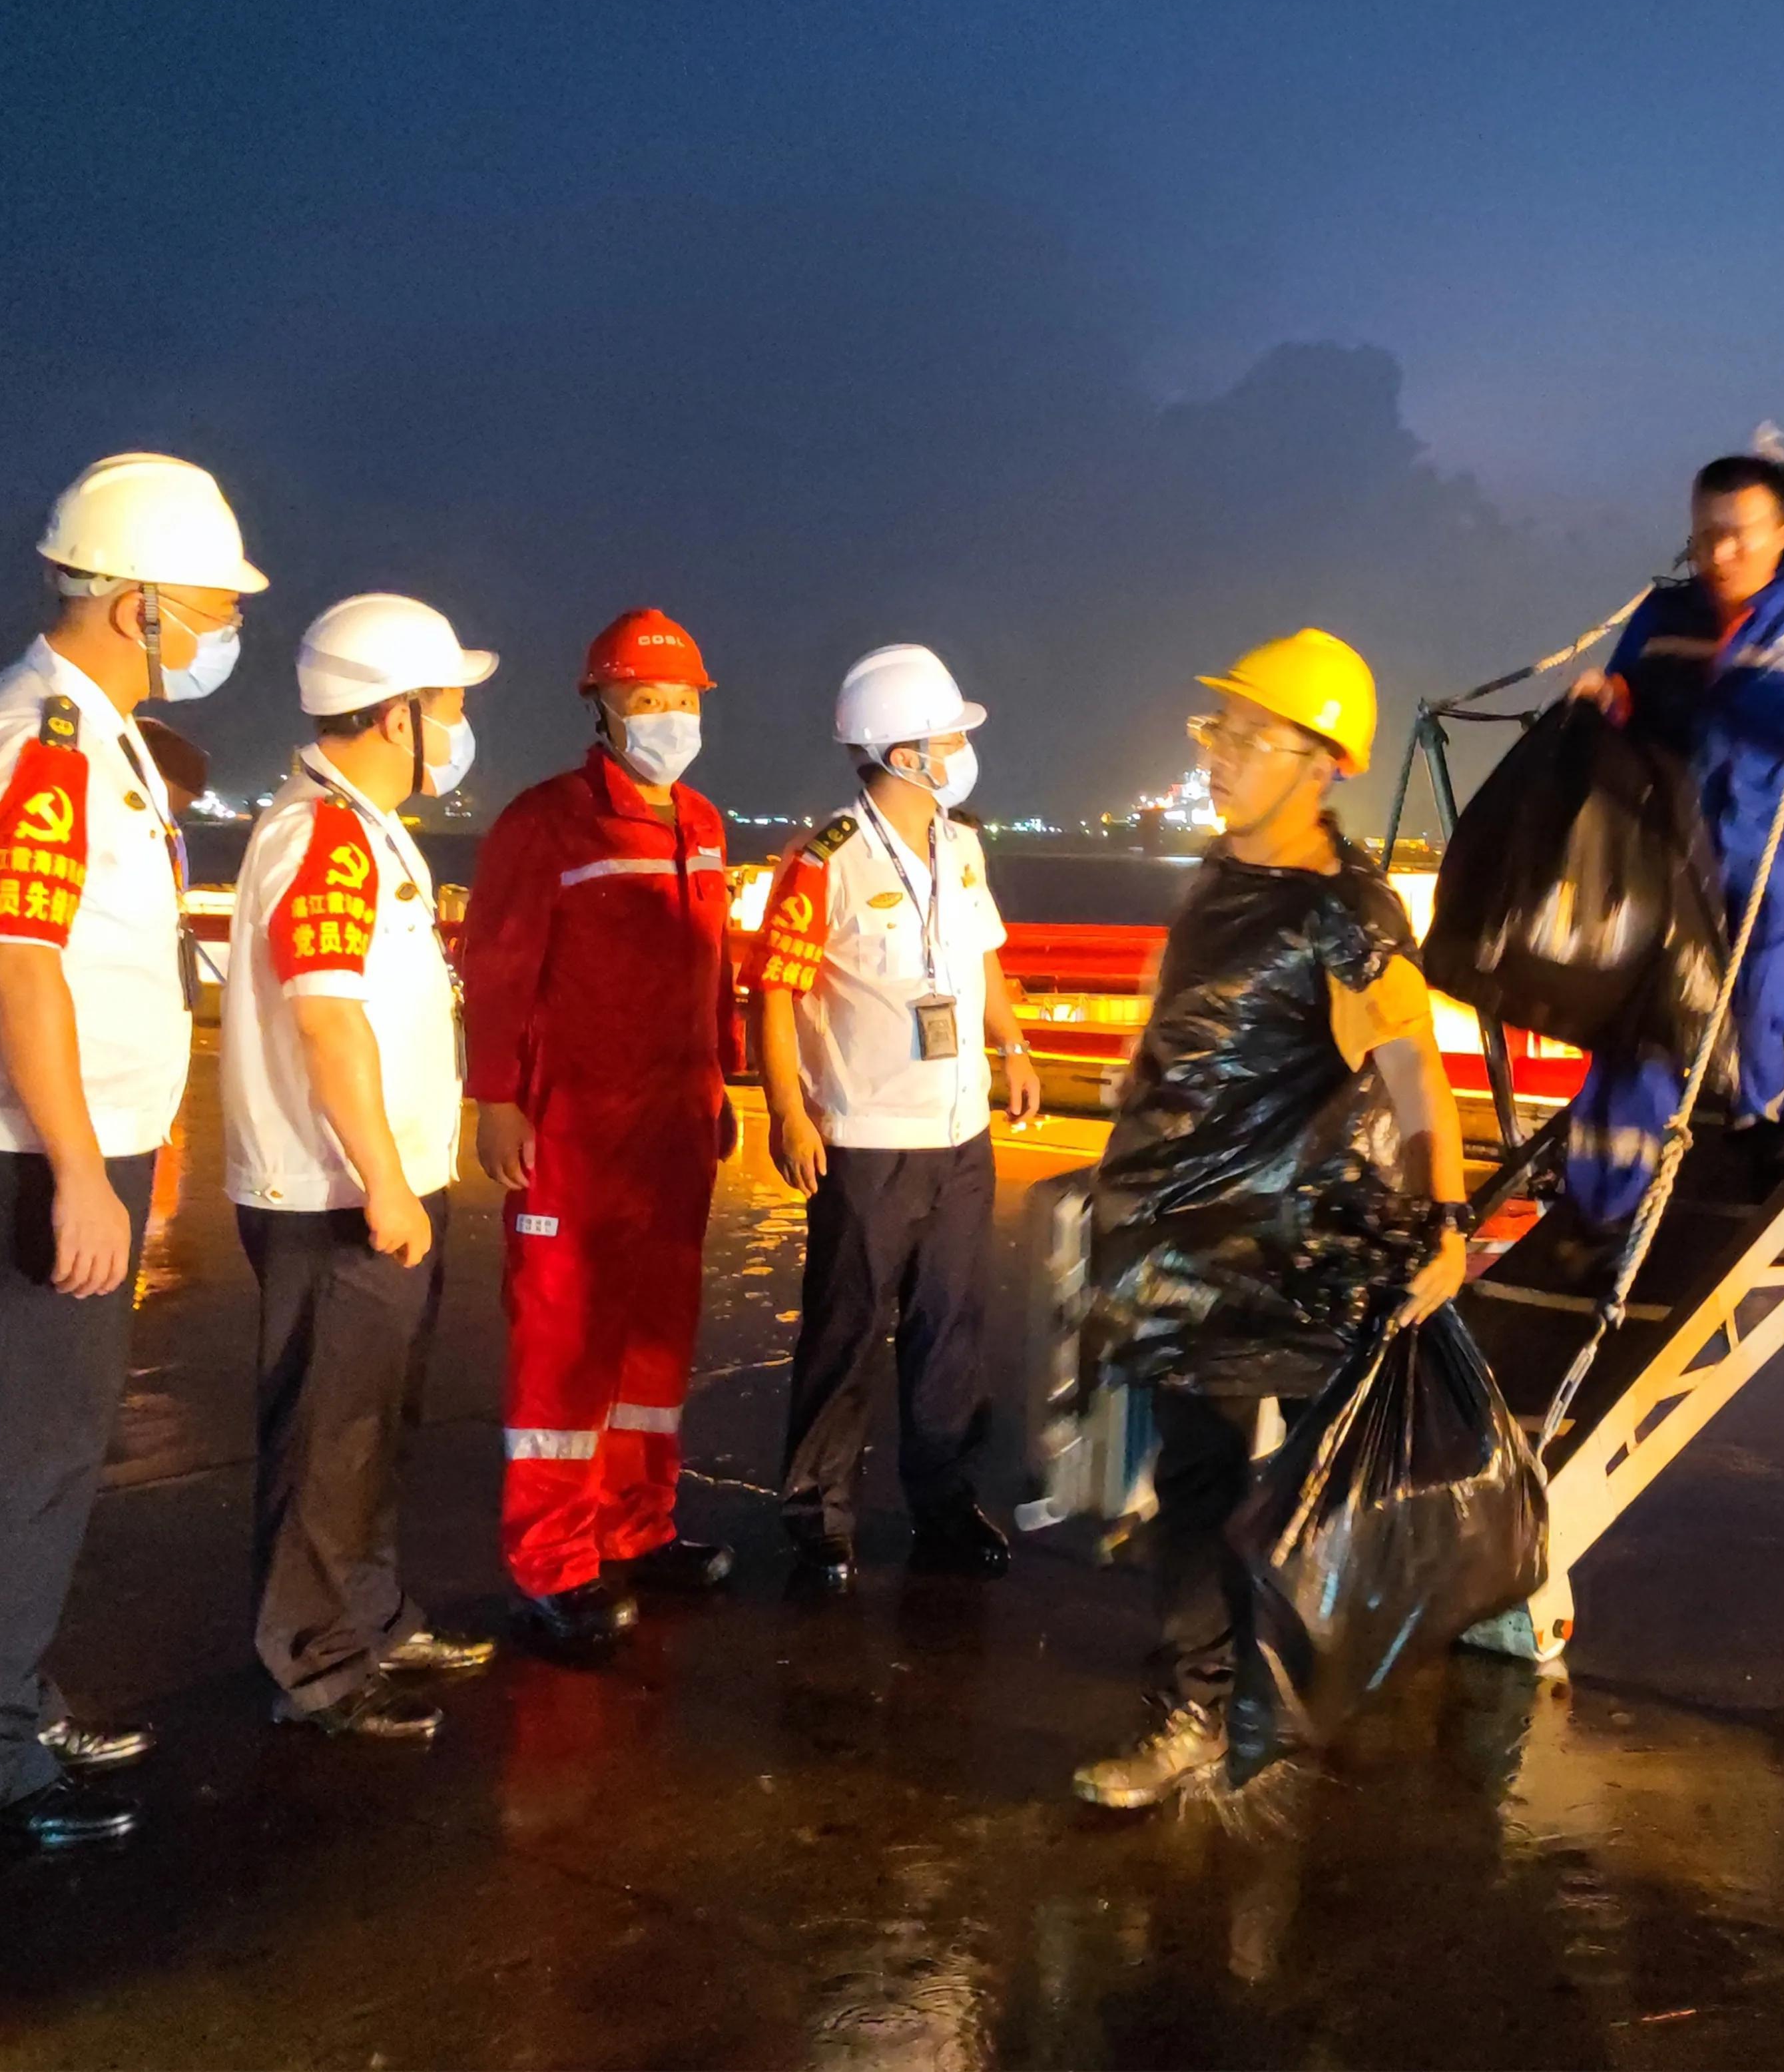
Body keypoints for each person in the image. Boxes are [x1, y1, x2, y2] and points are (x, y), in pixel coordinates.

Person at [0, 453, 266, 1849]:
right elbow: (20, 961)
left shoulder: (98, 734)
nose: (221, 624)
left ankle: (8, 1698)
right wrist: (69, 1165)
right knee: (15, 1456)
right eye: (205, 598)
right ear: (133, 601)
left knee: (49, 1454)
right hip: (21, 1153)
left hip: (74, 1144)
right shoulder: (41, 738)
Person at [1071, 629, 1470, 1808]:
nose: (1219, 754)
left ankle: (1314, 1697)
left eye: (1248, 735)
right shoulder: (1216, 880)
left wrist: (1447, 1221)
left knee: (1315, 1493)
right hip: (1185, 1250)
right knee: (1195, 1491)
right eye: (1218, 730)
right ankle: (1196, 1709)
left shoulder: (1346, 914)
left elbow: (1415, 1077)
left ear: (1321, 762)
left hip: (1293, 1251)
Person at [222, 593, 503, 1741]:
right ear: (398, 716)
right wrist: (386, 1180)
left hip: (381, 1183)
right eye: (449, 705)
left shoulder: (365, 827)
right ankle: (317, 1664)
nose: (459, 725)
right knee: (326, 1439)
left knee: (377, 1426)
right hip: (337, 1195)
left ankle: (376, 1616)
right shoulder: (322, 835)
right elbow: (330, 1021)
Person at [461, 607, 744, 1662]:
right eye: (647, 698)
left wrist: (722, 1079)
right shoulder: (547, 823)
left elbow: (710, 968)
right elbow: (496, 964)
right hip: (575, 1130)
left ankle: (638, 1526)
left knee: (654, 1339)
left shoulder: (704, 823)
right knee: (565, 1345)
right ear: (602, 705)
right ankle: (552, 1563)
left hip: (675, 1125)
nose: (668, 716)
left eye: (683, 700)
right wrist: (497, 1098)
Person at [751, 644, 1040, 1592]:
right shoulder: (824, 861)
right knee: (846, 1330)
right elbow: (776, 991)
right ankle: (817, 1511)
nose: (961, 748)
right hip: (868, 1140)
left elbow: (984, 959)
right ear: (903, 750)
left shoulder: (960, 845)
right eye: (949, 733)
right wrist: (789, 1112)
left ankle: (943, 1500)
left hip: (960, 1135)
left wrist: (1014, 1046)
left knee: (951, 1328)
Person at [1560, 461, 1784, 1232]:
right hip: (1664, 851)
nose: (1719, 553)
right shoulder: (1662, 618)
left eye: (1738, 535)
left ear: (1781, 536)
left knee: (1759, 1002)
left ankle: (1759, 1118)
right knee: (1652, 1015)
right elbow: (1626, 691)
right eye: (1705, 536)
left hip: (1765, 852)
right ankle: (1605, 1206)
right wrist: (1606, 696)